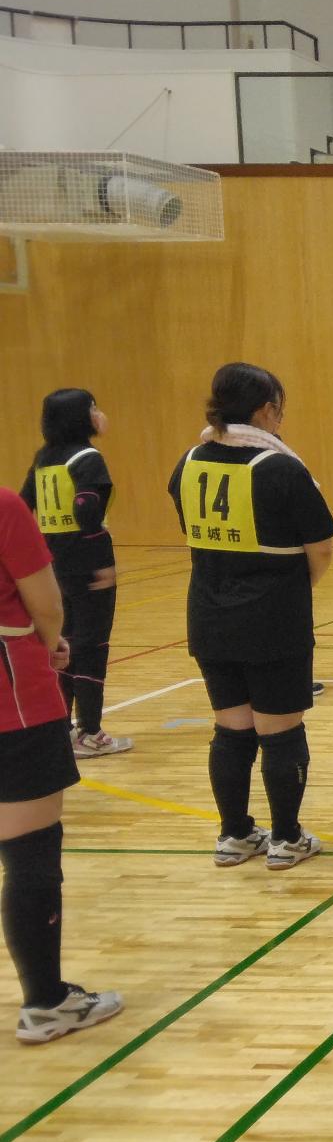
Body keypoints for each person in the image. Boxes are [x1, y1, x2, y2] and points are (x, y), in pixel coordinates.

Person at [168, 363, 333, 870]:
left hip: (208, 611)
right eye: (279, 409)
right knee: (280, 729)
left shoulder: (188, 462)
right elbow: (321, 548)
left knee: (232, 727)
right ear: (265, 410)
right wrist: (293, 588)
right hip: (272, 617)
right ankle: (286, 838)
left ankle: (235, 834)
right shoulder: (280, 469)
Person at [1, 483, 123, 1042]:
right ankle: (46, 1002)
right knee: (30, 852)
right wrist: (51, 645)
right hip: (14, 705)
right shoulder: (5, 506)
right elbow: (47, 604)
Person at [24, 389, 130, 757]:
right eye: (93, 408)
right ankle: (91, 732)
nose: (100, 414)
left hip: (54, 564)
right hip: (86, 564)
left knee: (64, 642)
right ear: (80, 417)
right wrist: (101, 561)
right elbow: (86, 509)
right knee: (91, 646)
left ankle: (62, 727)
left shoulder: (44, 459)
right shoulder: (88, 458)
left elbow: (23, 505)